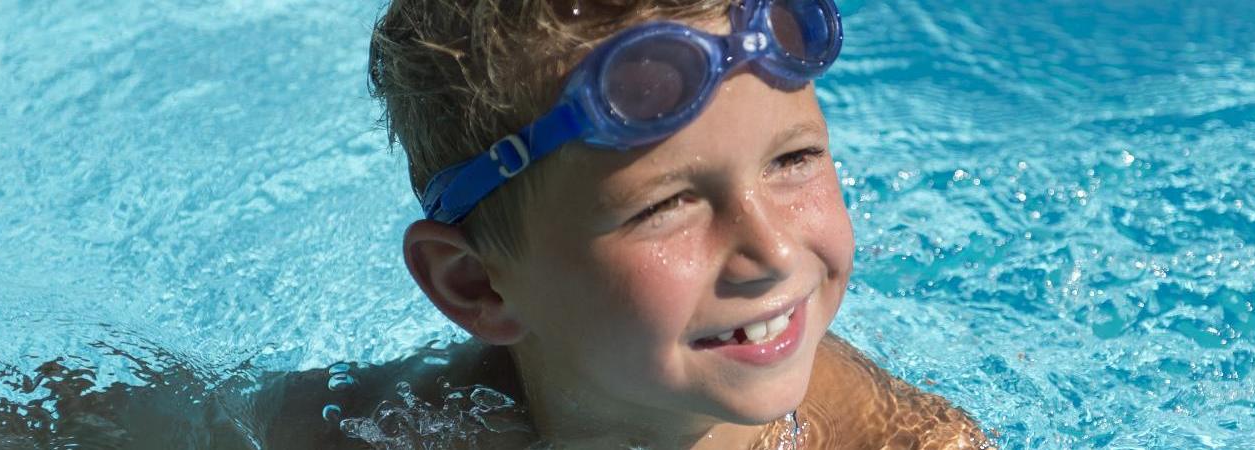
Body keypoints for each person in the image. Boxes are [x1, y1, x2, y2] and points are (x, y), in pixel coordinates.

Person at [359, 0, 993, 448]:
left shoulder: (908, 442)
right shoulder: (344, 431)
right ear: (477, 284)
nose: (771, 251)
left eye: (794, 158)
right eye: (667, 206)